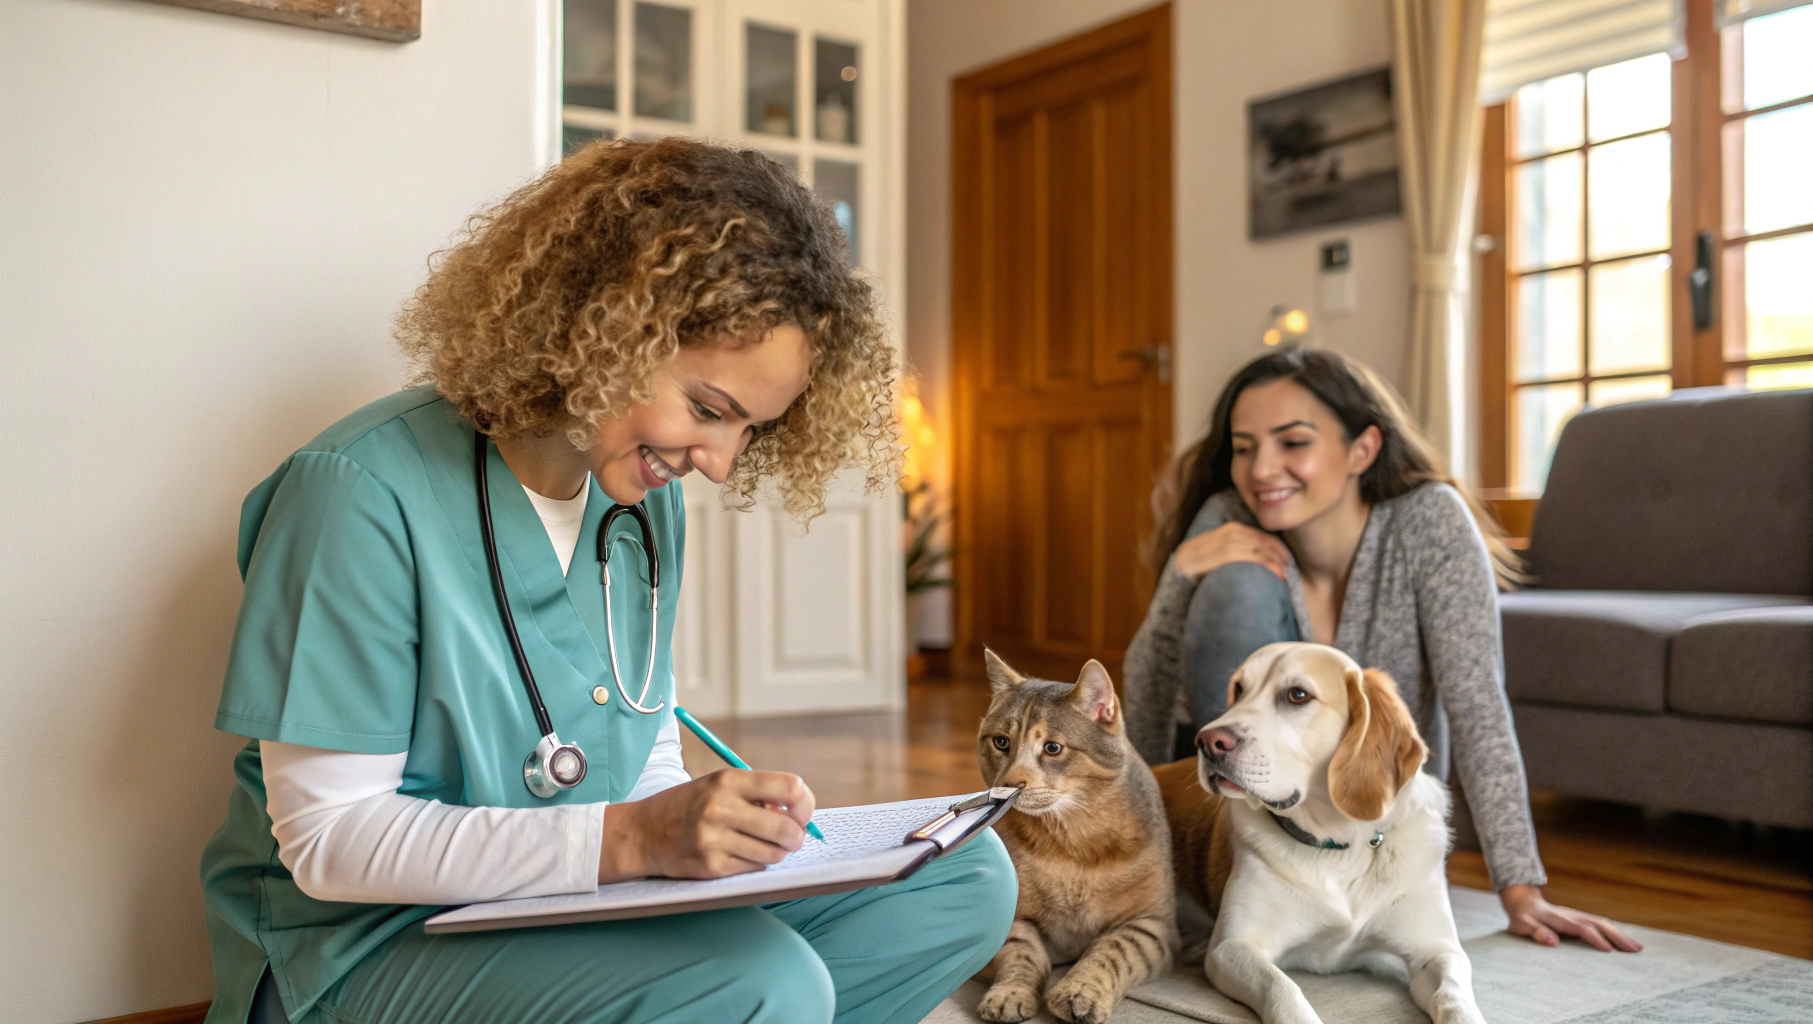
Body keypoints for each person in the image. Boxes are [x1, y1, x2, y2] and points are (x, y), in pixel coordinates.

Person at [199, 137, 1017, 1024]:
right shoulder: (358, 491)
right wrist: (630, 840)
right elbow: (331, 842)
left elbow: (639, 742)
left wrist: (711, 827)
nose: (717, 462)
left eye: (751, 431)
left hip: (562, 902)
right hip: (366, 941)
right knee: (767, 984)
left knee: (964, 877)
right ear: (601, 327)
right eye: (708, 410)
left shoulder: (639, 504)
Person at [1122, 346, 1640, 954]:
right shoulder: (1229, 517)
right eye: (1243, 446)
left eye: (1292, 443)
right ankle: (1176, 869)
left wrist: (1520, 889)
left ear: (1361, 450)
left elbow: (1477, 700)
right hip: (1231, 815)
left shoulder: (1429, 524)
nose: (1262, 468)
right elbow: (1148, 689)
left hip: (1367, 821)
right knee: (1234, 582)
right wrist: (1180, 574)